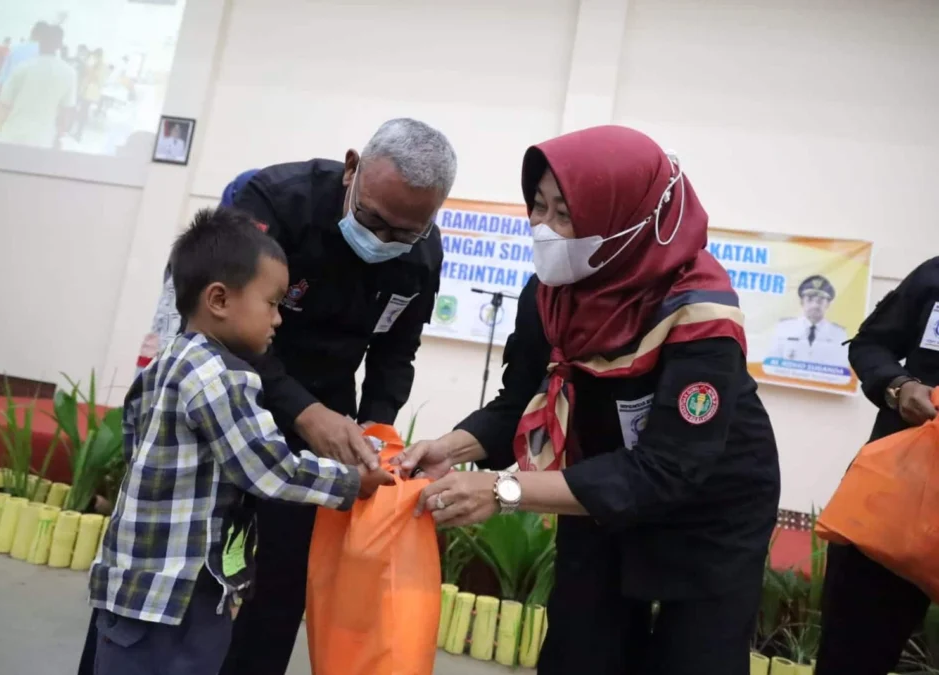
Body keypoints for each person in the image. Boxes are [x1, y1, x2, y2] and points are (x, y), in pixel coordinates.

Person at [394, 125, 781, 675]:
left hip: (706, 507)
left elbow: (668, 469)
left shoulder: (700, 314)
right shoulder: (551, 291)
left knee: (695, 657)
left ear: (624, 218)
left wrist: (504, 490)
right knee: (580, 646)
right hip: (595, 487)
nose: (543, 228)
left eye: (565, 214)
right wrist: (452, 448)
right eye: (538, 206)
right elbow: (523, 400)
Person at [77, 117, 455, 675]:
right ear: (352, 168)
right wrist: (304, 414)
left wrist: (377, 432)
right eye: (376, 220)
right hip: (237, 384)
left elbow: (395, 353)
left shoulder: (421, 254)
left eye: (407, 232)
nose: (387, 240)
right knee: (163, 583)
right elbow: (220, 331)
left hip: (324, 408)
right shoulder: (275, 203)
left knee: (275, 585)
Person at [88, 206, 394, 675]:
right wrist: (353, 481)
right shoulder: (220, 377)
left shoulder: (172, 360)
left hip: (138, 578)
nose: (278, 320)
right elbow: (271, 470)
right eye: (272, 303)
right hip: (174, 592)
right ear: (219, 300)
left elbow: (133, 433)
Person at [815, 257, 939, 675]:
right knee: (850, 657)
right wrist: (898, 385)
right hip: (891, 508)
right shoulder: (935, 276)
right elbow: (870, 344)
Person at [0, 23, 76, 148]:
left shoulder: (23, 68)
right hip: (43, 140)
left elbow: (4, 104)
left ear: (40, 41)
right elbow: (66, 112)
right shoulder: (69, 73)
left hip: (13, 134)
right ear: (60, 45)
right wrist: (59, 136)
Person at [768, 274, 849, 366]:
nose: (815, 305)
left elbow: (842, 367)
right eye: (810, 299)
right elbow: (772, 363)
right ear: (802, 302)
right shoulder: (784, 328)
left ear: (828, 304)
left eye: (820, 300)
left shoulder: (839, 334)